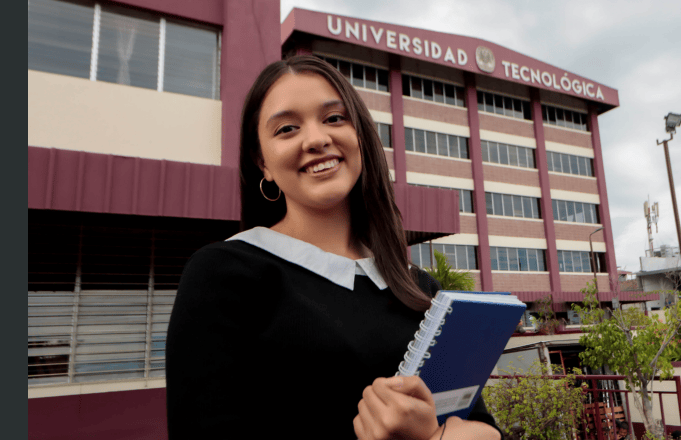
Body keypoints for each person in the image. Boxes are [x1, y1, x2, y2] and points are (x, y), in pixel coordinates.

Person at [165, 55, 504, 440]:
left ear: (360, 135)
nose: (316, 139)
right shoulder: (224, 276)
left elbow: (483, 427)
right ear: (263, 163)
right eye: (287, 128)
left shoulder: (421, 289)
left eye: (334, 119)